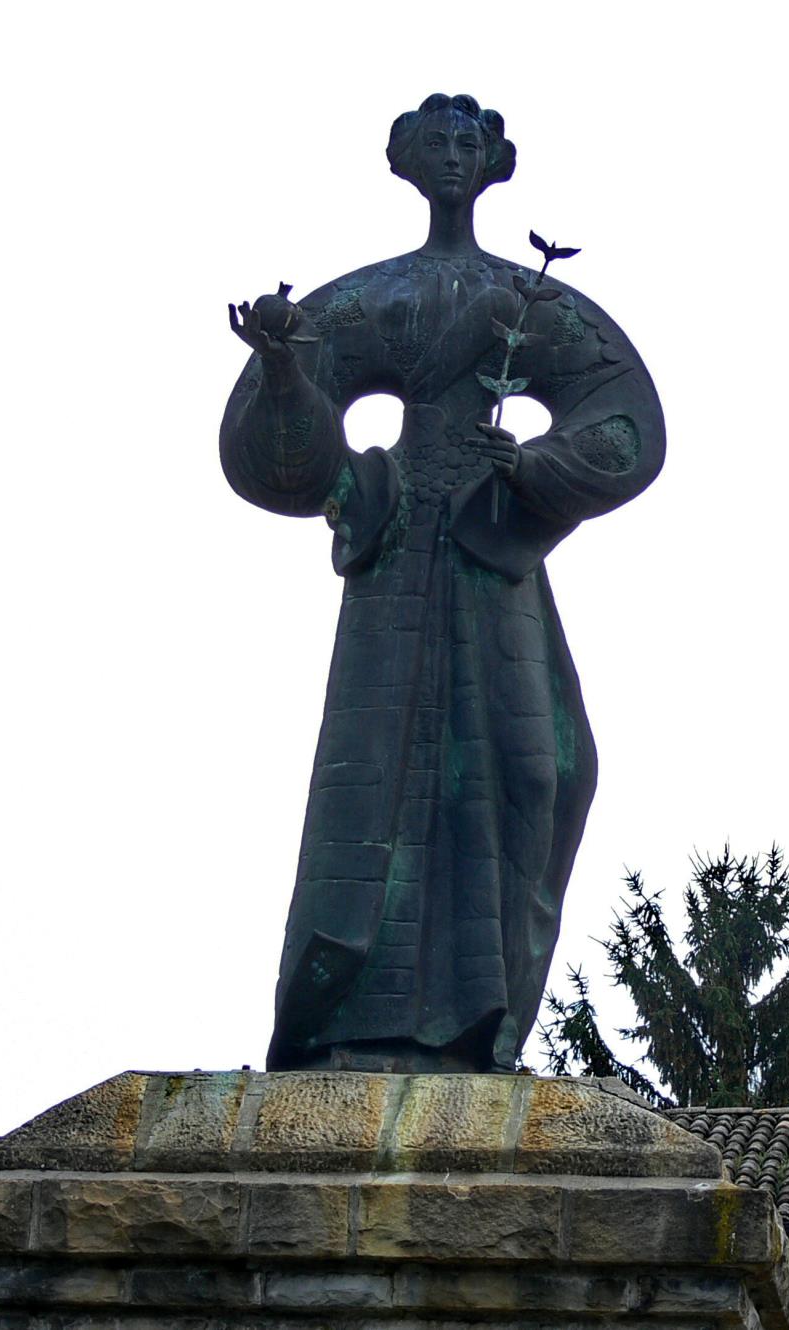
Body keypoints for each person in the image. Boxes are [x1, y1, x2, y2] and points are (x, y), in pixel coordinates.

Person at [220, 93, 664, 1073]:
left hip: (490, 547)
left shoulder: (533, 301)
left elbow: (623, 426)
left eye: (469, 143)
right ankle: (348, 1017)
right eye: (437, 144)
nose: (454, 158)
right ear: (407, 162)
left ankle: (482, 1014)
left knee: (540, 771)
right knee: (380, 776)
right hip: (396, 555)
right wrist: (288, 376)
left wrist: (532, 468)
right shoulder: (363, 302)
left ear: (493, 162)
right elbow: (284, 464)